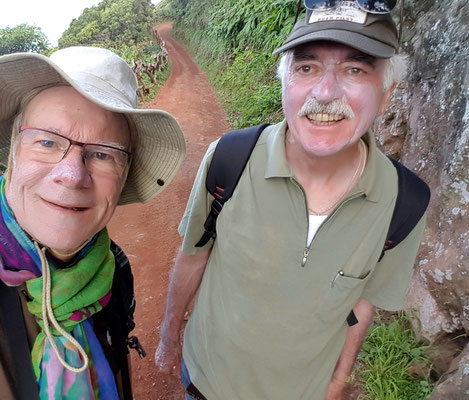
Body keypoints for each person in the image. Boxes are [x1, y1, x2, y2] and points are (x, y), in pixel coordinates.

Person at [156, 1, 428, 399]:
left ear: (386, 94)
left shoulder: (406, 201)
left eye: (356, 69)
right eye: (307, 67)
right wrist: (168, 336)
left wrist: (338, 382)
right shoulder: (230, 159)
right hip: (207, 381)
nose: (324, 92)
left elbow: (364, 303)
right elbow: (193, 255)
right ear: (284, 83)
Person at [0, 46, 185, 399]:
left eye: (102, 154)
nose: (72, 175)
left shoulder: (109, 271)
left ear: (124, 176)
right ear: (13, 151)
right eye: (48, 141)